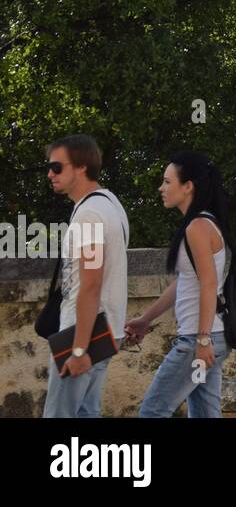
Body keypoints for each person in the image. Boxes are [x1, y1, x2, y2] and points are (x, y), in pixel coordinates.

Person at [126, 150, 235, 418]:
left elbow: (209, 284)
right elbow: (186, 282)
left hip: (200, 339)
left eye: (167, 181)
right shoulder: (203, 223)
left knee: (152, 411)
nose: (161, 188)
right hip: (213, 337)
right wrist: (145, 319)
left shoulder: (198, 226)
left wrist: (202, 339)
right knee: (205, 415)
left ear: (188, 187)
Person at [41, 134, 130, 418]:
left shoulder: (89, 215)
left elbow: (91, 285)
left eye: (57, 167)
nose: (50, 174)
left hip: (81, 335)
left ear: (81, 167)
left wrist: (78, 351)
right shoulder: (110, 203)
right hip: (103, 332)